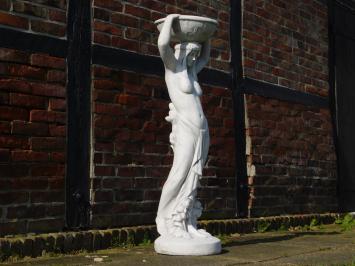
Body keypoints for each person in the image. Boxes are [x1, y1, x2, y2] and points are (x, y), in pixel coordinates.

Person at [155, 14, 212, 239]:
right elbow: (162, 44)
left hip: (202, 129)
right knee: (179, 173)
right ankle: (166, 218)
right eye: (192, 53)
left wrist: (207, 35)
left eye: (196, 54)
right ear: (182, 52)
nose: (195, 57)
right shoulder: (173, 70)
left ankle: (187, 222)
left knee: (194, 176)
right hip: (186, 128)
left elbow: (206, 57)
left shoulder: (192, 72)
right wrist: (171, 20)